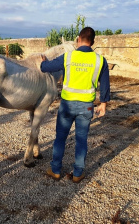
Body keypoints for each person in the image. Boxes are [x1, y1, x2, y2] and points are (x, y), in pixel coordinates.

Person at [40, 27, 110, 183]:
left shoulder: (68, 57)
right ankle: (78, 173)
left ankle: (56, 170)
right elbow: (105, 85)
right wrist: (103, 104)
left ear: (78, 39)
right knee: (81, 139)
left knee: (60, 138)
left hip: (67, 106)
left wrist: (44, 63)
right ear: (93, 42)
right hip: (87, 107)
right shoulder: (100, 60)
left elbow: (45, 68)